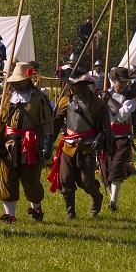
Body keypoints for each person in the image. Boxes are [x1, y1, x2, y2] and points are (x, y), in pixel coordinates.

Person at [0, 61, 54, 224]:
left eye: (19, 81)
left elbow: (47, 123)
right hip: (8, 145)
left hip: (30, 146)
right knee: (7, 179)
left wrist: (47, 143)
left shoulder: (39, 98)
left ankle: (36, 207)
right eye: (14, 82)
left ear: (27, 80)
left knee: (31, 182)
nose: (16, 84)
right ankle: (9, 215)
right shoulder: (5, 97)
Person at [49, 68, 112, 219]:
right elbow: (56, 123)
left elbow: (104, 127)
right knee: (65, 178)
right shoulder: (65, 101)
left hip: (87, 146)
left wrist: (99, 139)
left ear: (82, 85)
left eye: (73, 84)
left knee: (86, 182)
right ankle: (71, 212)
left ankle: (96, 196)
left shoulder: (96, 103)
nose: (69, 87)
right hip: (68, 145)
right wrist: (48, 141)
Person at [101, 66, 136, 211]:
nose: (122, 85)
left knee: (116, 167)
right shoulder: (104, 94)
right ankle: (111, 198)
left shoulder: (130, 97)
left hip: (123, 136)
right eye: (120, 82)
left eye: (125, 82)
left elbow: (121, 116)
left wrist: (109, 100)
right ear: (113, 81)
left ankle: (113, 202)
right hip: (107, 136)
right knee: (106, 168)